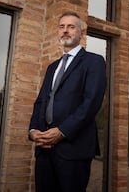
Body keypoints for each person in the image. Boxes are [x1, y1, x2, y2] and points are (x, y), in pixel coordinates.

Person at [29, 11, 106, 192]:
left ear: (81, 32)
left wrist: (62, 131)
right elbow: (40, 102)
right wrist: (33, 131)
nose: (65, 31)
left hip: (74, 149)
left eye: (71, 27)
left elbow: (91, 103)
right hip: (44, 149)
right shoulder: (52, 67)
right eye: (62, 27)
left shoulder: (94, 62)